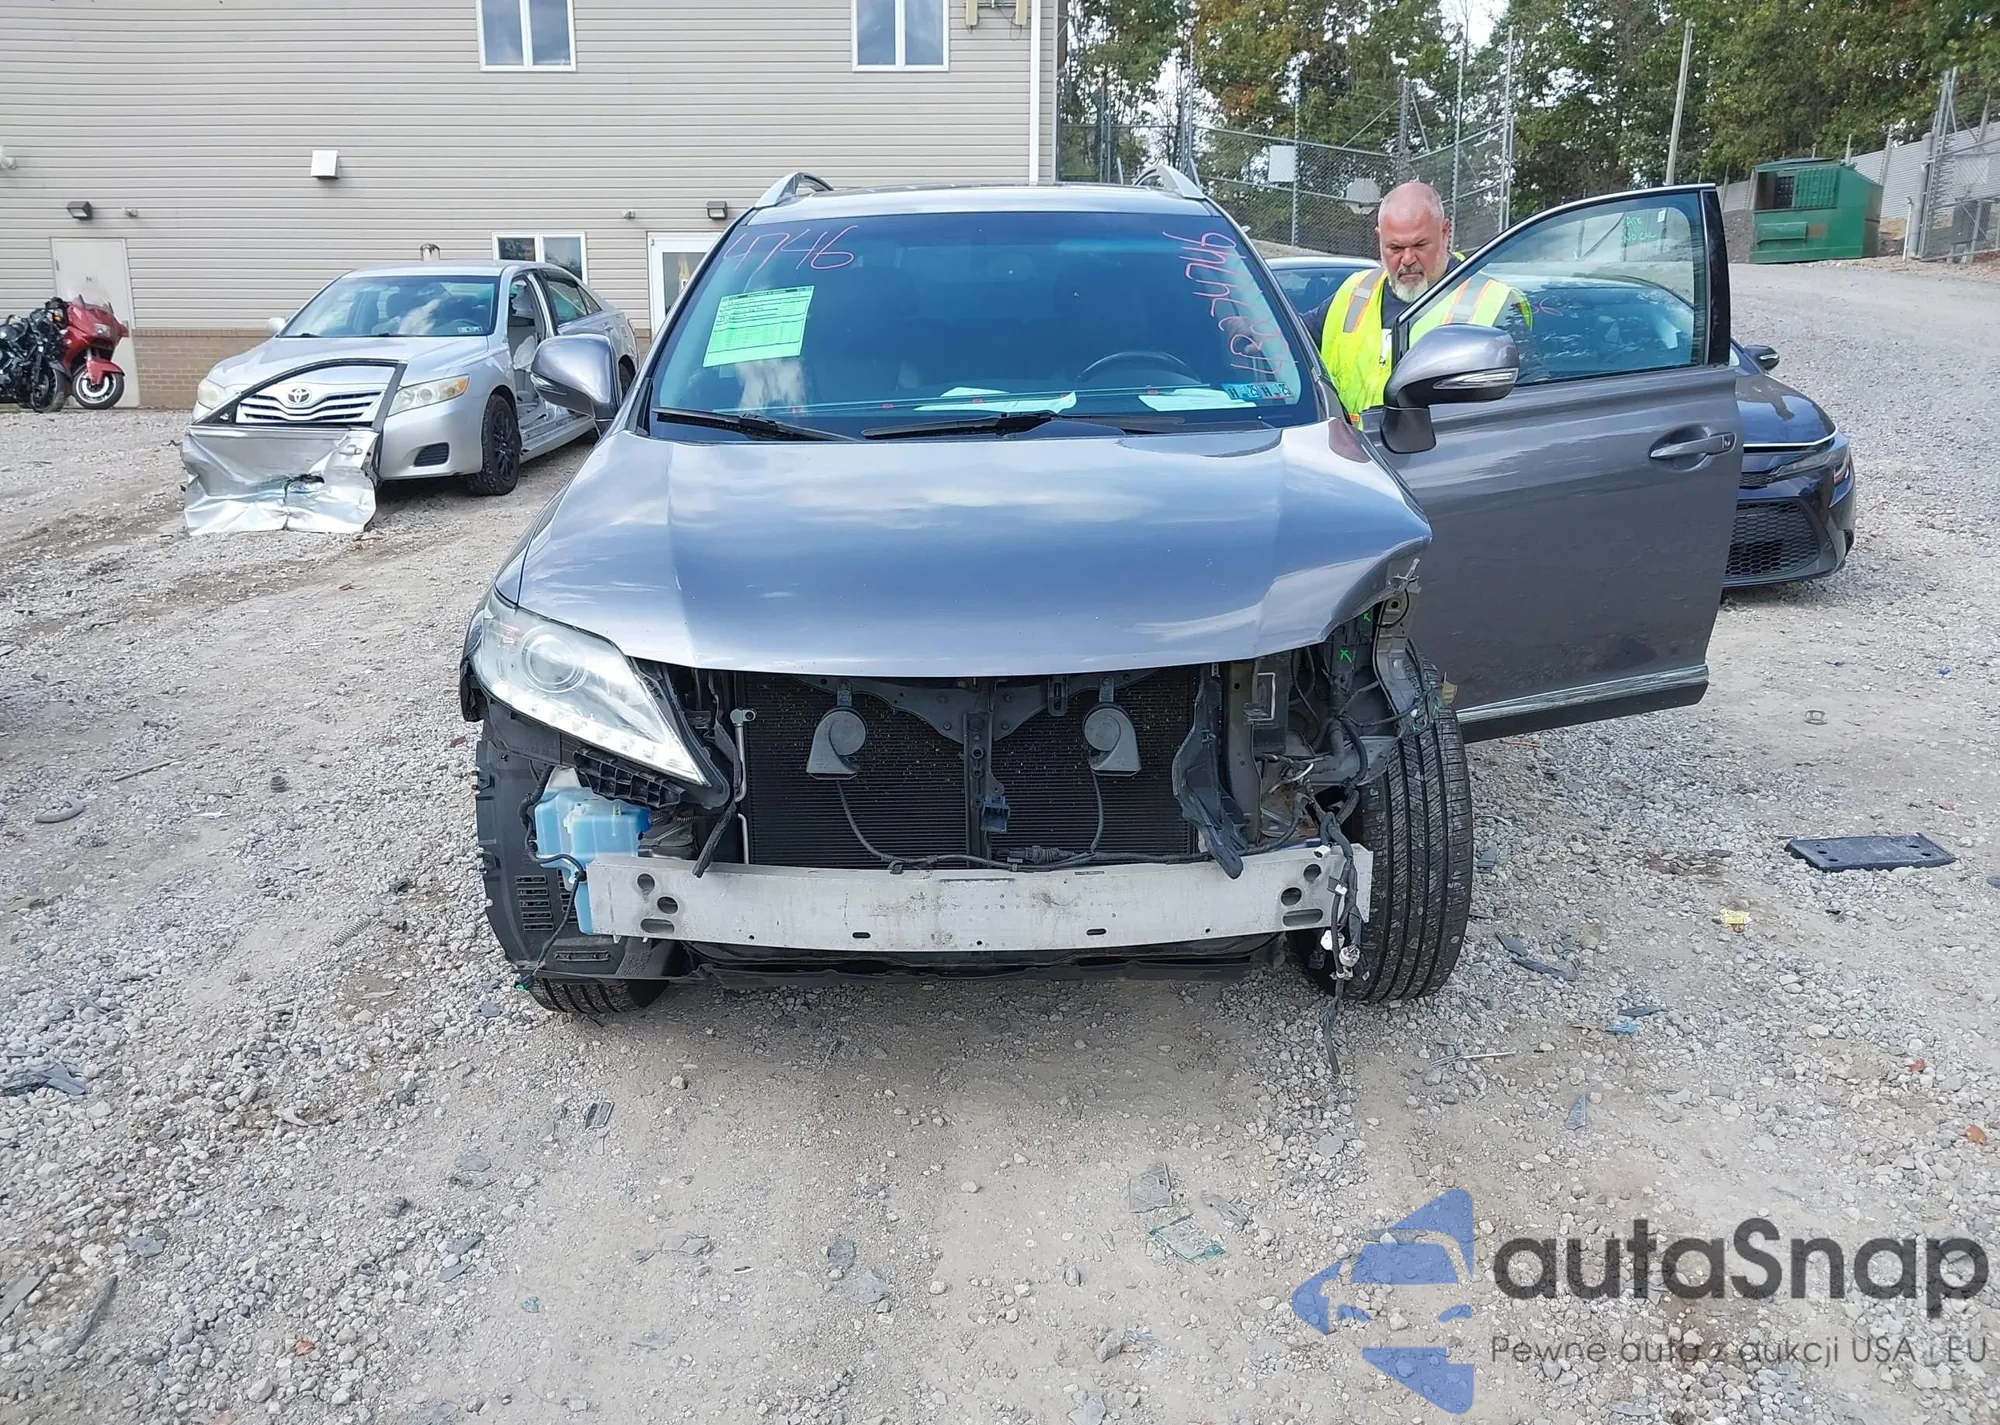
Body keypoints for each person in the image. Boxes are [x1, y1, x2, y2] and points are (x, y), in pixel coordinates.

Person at [1308, 180, 1533, 420]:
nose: (1407, 259)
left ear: (1445, 233)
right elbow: (1289, 340)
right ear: (1379, 238)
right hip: (1349, 444)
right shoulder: (1354, 291)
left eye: (1419, 245)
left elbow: (1529, 404)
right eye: (1395, 248)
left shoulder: (1493, 302)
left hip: (1444, 444)